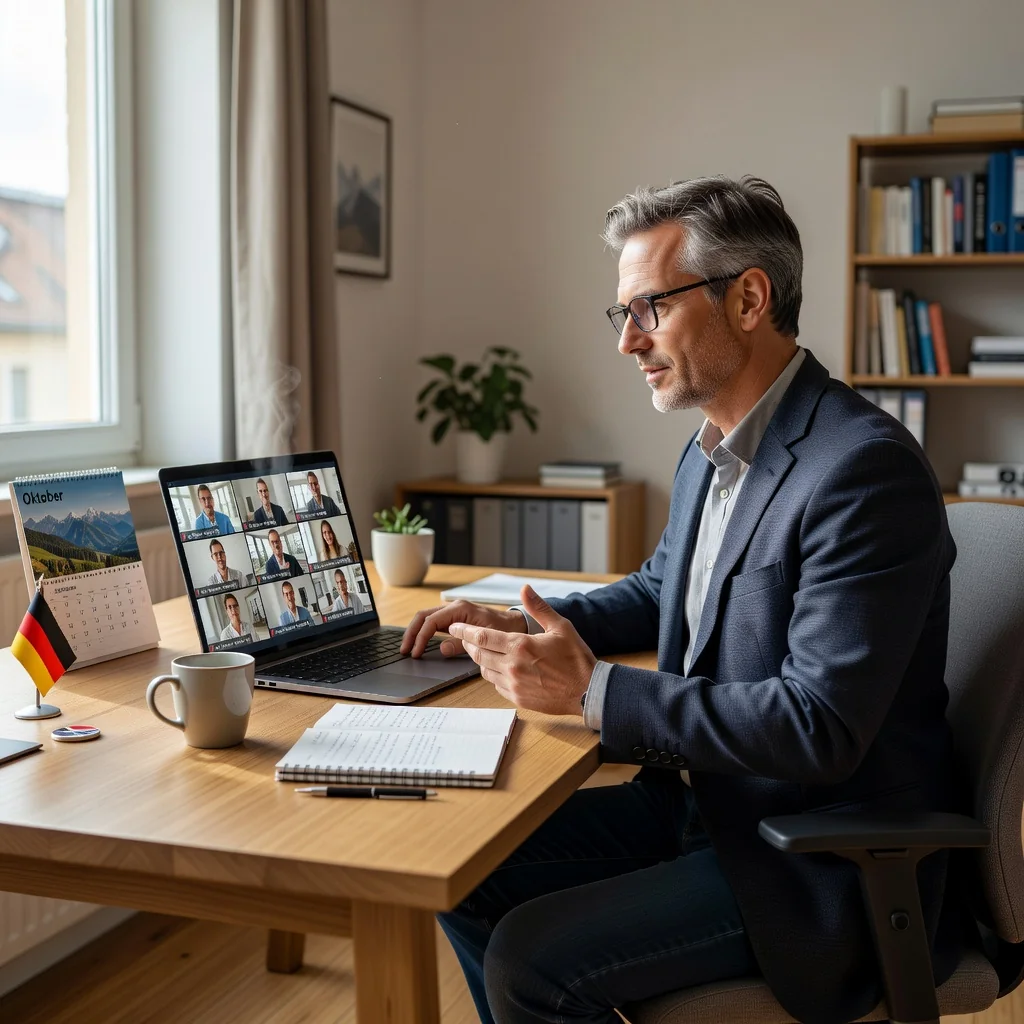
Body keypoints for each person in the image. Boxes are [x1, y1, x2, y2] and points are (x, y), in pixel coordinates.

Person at [401, 176, 965, 1024]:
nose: (627, 341)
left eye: (650, 309)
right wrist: (521, 624)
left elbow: (819, 725)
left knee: (530, 961)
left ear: (749, 298)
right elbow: (662, 590)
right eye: (622, 313)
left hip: (812, 857)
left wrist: (592, 692)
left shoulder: (861, 469)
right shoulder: (713, 450)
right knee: (459, 866)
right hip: (706, 803)